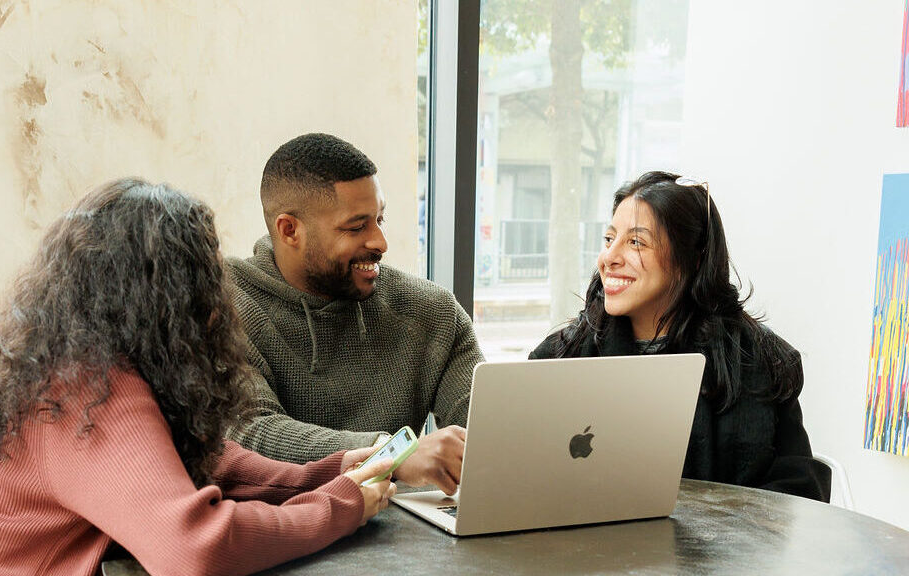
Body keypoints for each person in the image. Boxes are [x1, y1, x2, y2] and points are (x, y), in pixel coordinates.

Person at [0, 179, 396, 576]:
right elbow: (194, 548)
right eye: (205, 272)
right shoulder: (85, 390)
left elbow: (219, 465)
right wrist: (339, 507)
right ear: (169, 293)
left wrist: (333, 472)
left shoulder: (83, 366)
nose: (217, 288)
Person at [530, 171, 830, 502]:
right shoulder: (559, 356)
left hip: (723, 550)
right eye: (609, 239)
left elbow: (798, 493)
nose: (609, 258)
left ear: (691, 259)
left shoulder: (760, 360)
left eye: (636, 242)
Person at [226, 133, 483, 495]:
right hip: (286, 537)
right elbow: (249, 431)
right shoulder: (225, 305)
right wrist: (392, 455)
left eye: (380, 219)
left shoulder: (432, 312)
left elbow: (485, 437)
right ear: (290, 230)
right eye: (356, 226)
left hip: (404, 535)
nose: (380, 242)